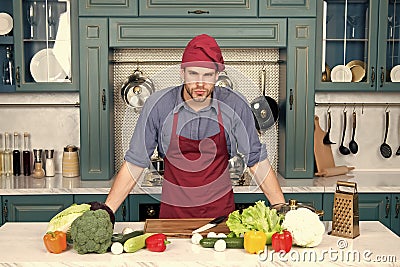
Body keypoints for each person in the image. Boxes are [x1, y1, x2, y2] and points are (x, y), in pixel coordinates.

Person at [104, 34, 285, 219]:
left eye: (208, 75)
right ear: (182, 73)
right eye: (193, 74)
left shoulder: (235, 105)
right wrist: (107, 210)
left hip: (220, 218)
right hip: (172, 217)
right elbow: (135, 162)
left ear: (217, 75)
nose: (200, 83)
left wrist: (280, 207)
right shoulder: (157, 105)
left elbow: (256, 160)